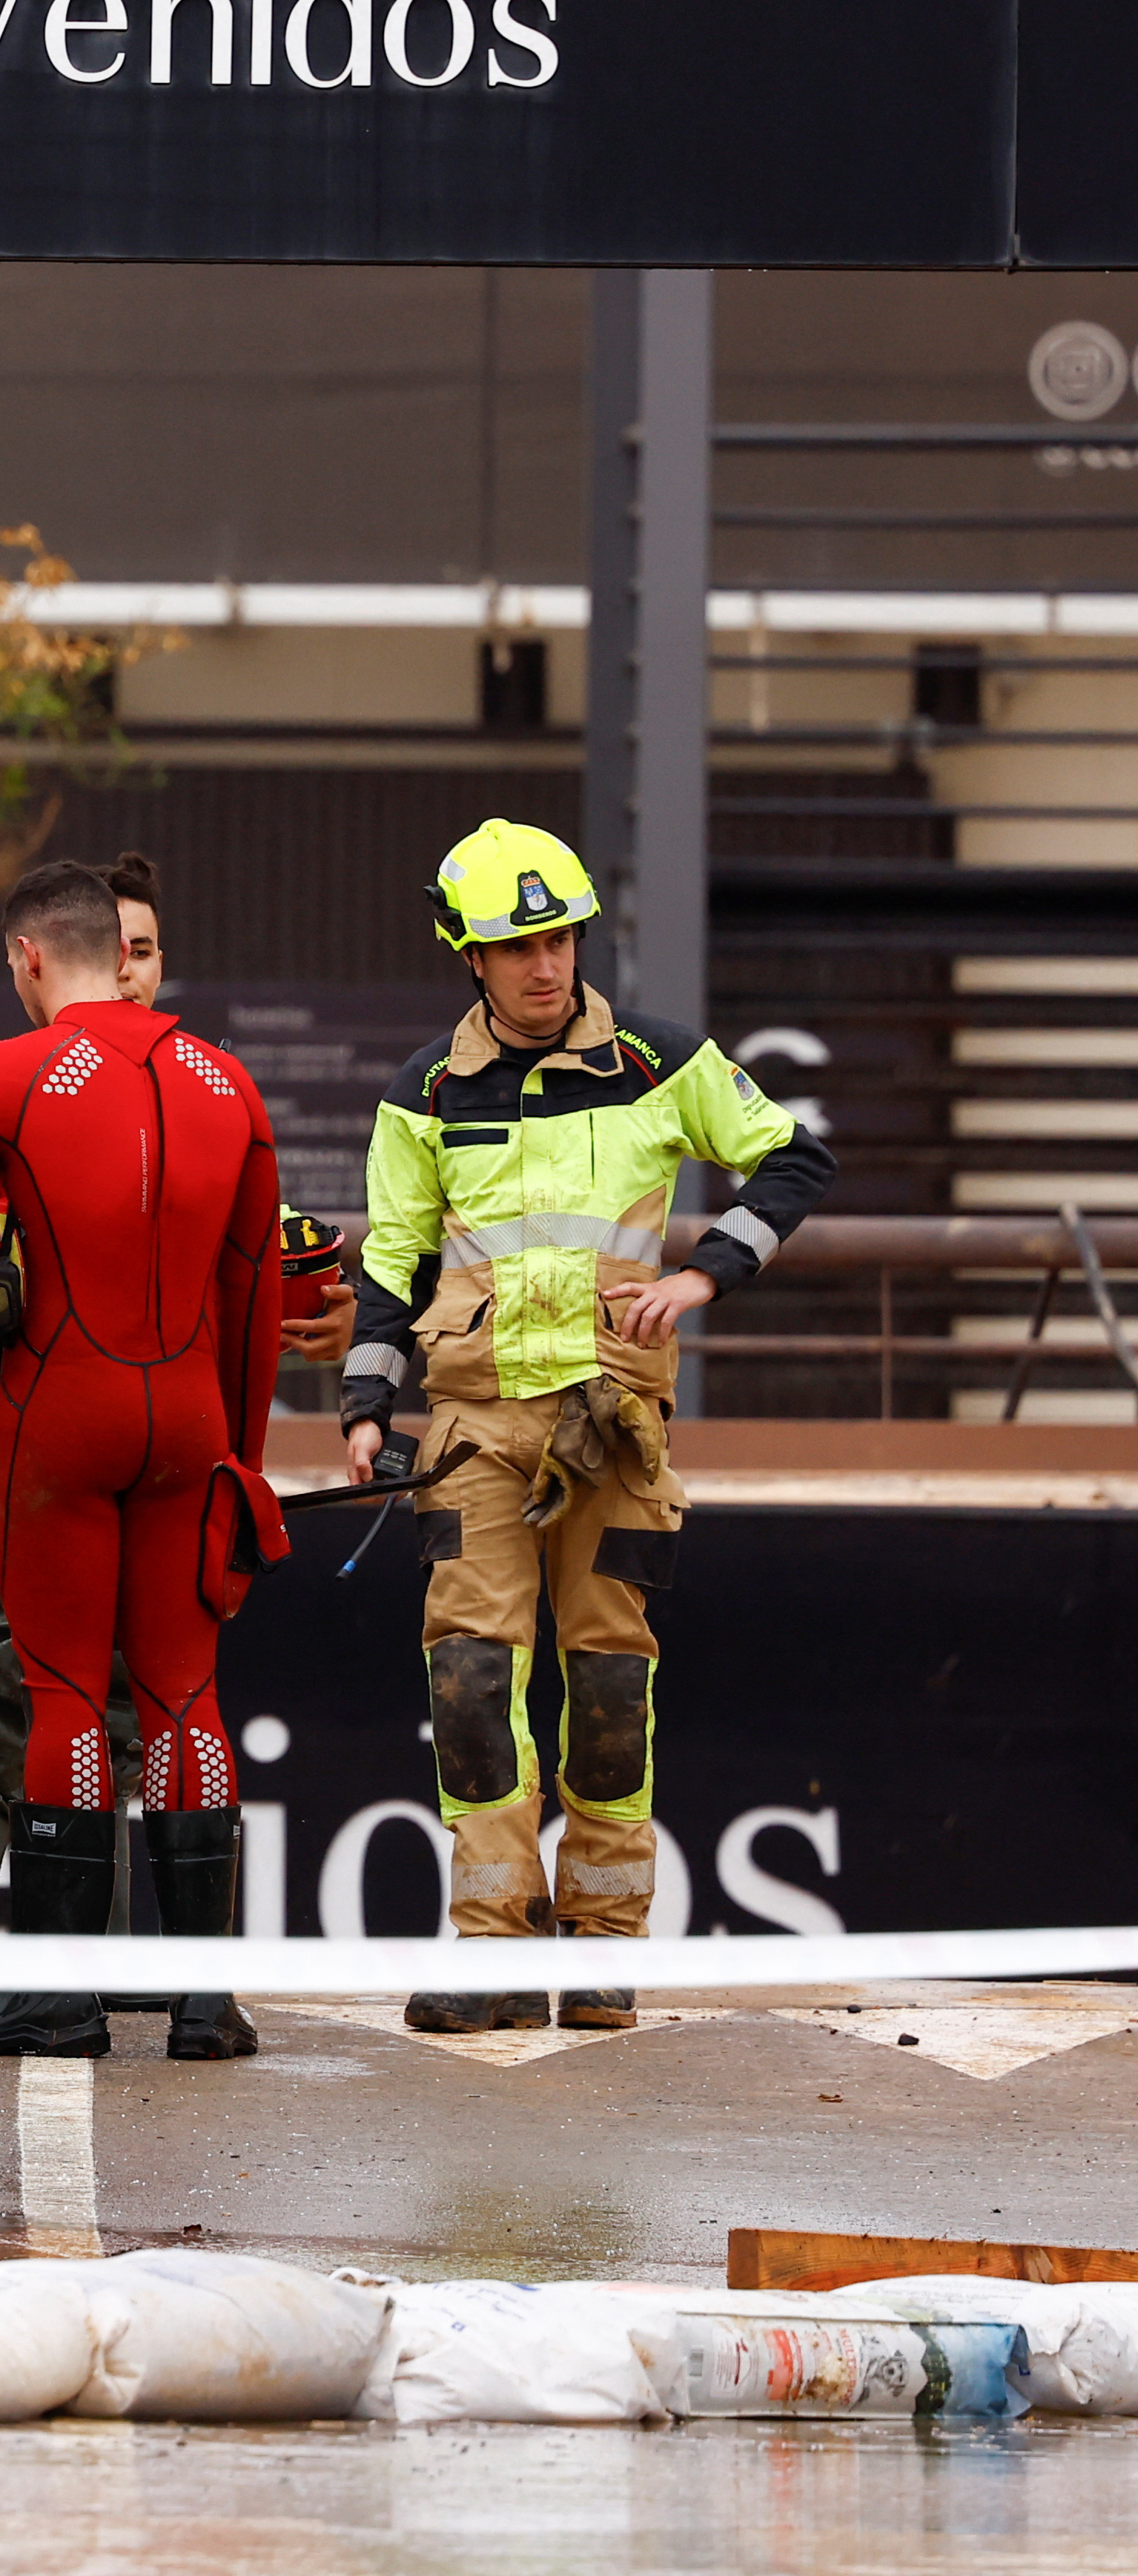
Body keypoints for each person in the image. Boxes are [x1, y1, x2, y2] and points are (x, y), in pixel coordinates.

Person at [344, 820, 833, 2033]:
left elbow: (792, 1157)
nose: (545, 964)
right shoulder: (421, 1093)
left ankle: (606, 1946)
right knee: (469, 1682)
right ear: (468, 954)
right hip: (473, 1429)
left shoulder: (659, 1061)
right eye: (517, 946)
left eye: (559, 938)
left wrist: (705, 1273)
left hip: (613, 1425)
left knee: (610, 1682)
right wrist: (363, 1404)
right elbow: (391, 1262)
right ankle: (491, 1953)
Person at [0, 861, 280, 2061]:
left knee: (60, 1694)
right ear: (121, 951)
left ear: (28, 957)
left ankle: (57, 1995)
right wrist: (239, 1466)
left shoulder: (5, 1073)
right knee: (185, 1696)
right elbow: (252, 1298)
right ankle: (203, 2003)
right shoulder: (226, 1080)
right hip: (189, 1420)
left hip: (59, 1416)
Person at [0, 852, 356, 1996]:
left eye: (148, 953)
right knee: (4, 1680)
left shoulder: (191, 1090)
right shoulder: (3, 1084)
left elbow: (250, 1273)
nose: (132, 974)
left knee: (121, 1700)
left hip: (130, 1433)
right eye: (120, 951)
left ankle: (86, 1981)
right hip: (14, 1422)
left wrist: (319, 1313)